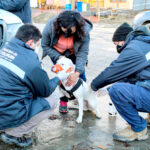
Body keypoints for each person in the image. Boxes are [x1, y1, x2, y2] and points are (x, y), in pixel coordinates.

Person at [0, 24, 66, 147]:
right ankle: (13, 133)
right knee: (52, 98)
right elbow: (45, 90)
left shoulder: (4, 48)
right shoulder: (30, 61)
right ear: (30, 43)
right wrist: (58, 78)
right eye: (37, 44)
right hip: (7, 113)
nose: (37, 47)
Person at [91, 22, 150, 142]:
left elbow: (113, 70)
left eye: (117, 44)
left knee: (117, 91)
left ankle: (138, 129)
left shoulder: (134, 48)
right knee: (123, 87)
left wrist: (93, 86)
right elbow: (132, 76)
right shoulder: (144, 44)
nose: (117, 47)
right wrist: (106, 89)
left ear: (123, 39)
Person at [41, 10, 93, 113]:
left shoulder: (84, 31)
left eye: (70, 31)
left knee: (80, 76)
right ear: (59, 25)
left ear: (77, 26)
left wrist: (77, 72)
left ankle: (83, 100)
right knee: (62, 77)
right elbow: (45, 45)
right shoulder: (50, 26)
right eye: (64, 30)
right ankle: (63, 101)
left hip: (75, 54)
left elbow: (83, 52)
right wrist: (58, 57)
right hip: (57, 54)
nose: (67, 34)